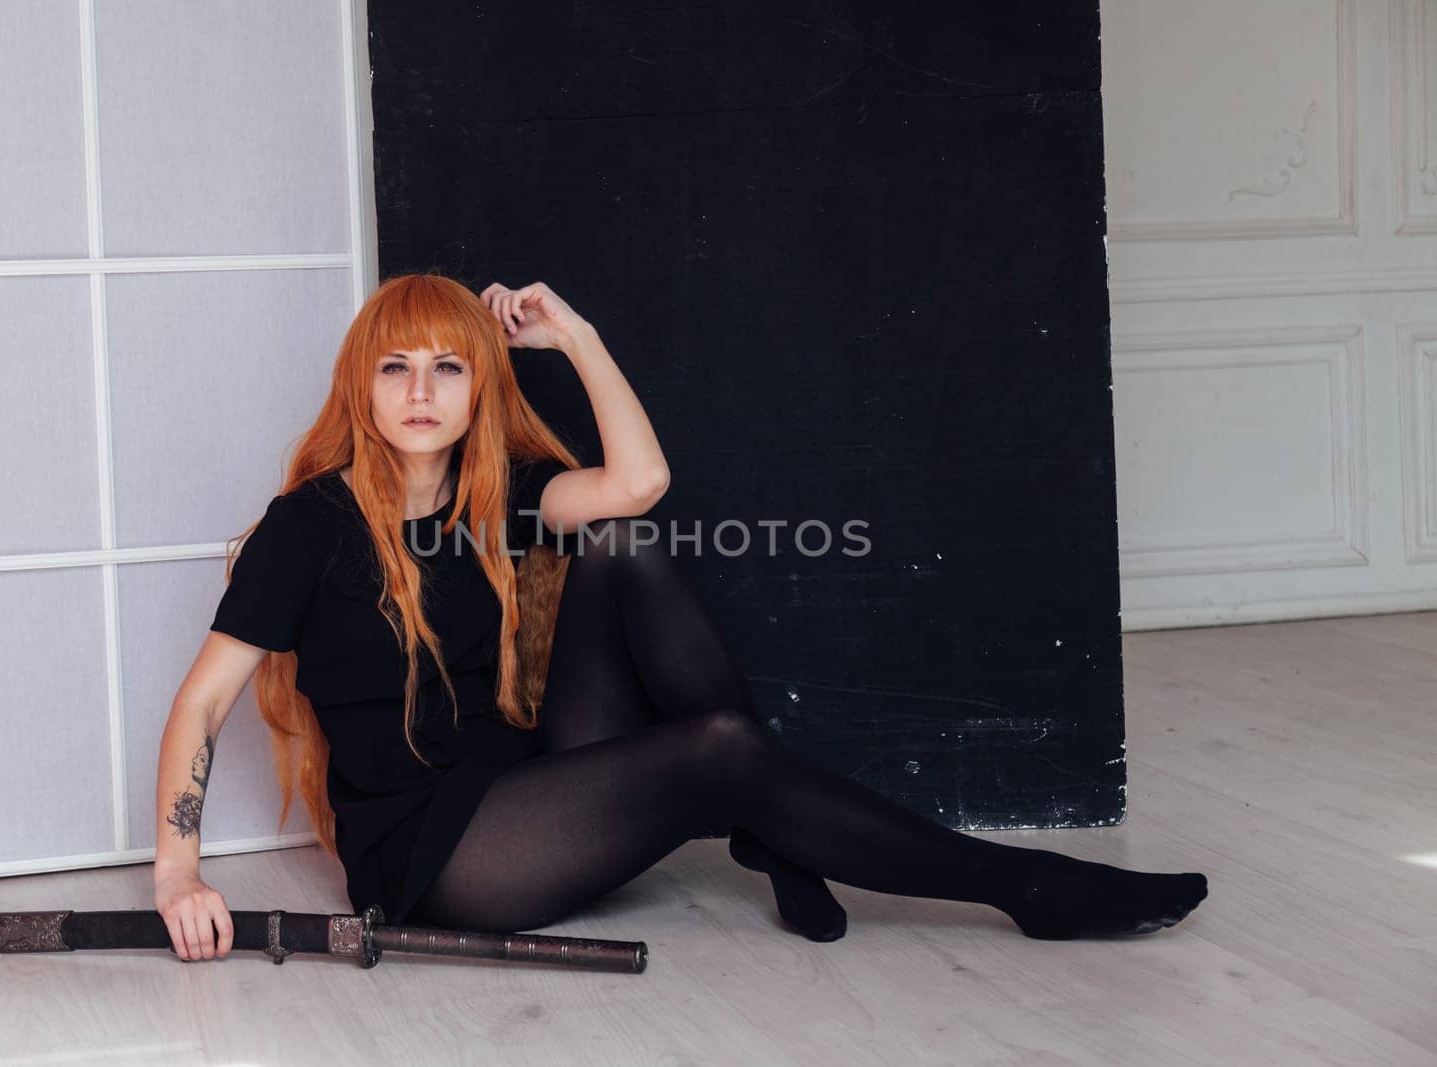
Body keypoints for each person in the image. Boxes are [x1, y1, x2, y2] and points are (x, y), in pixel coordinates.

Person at [152, 273, 1208, 962]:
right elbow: (203, 703)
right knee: (719, 745)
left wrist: (574, 334)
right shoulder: (310, 526)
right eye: (395, 366)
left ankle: (775, 824)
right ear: (361, 386)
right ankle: (1012, 883)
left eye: (448, 364)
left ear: (480, 385)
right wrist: (178, 871)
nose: (420, 389)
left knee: (620, 549)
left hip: (520, 776)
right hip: (441, 852)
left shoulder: (498, 495)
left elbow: (639, 481)